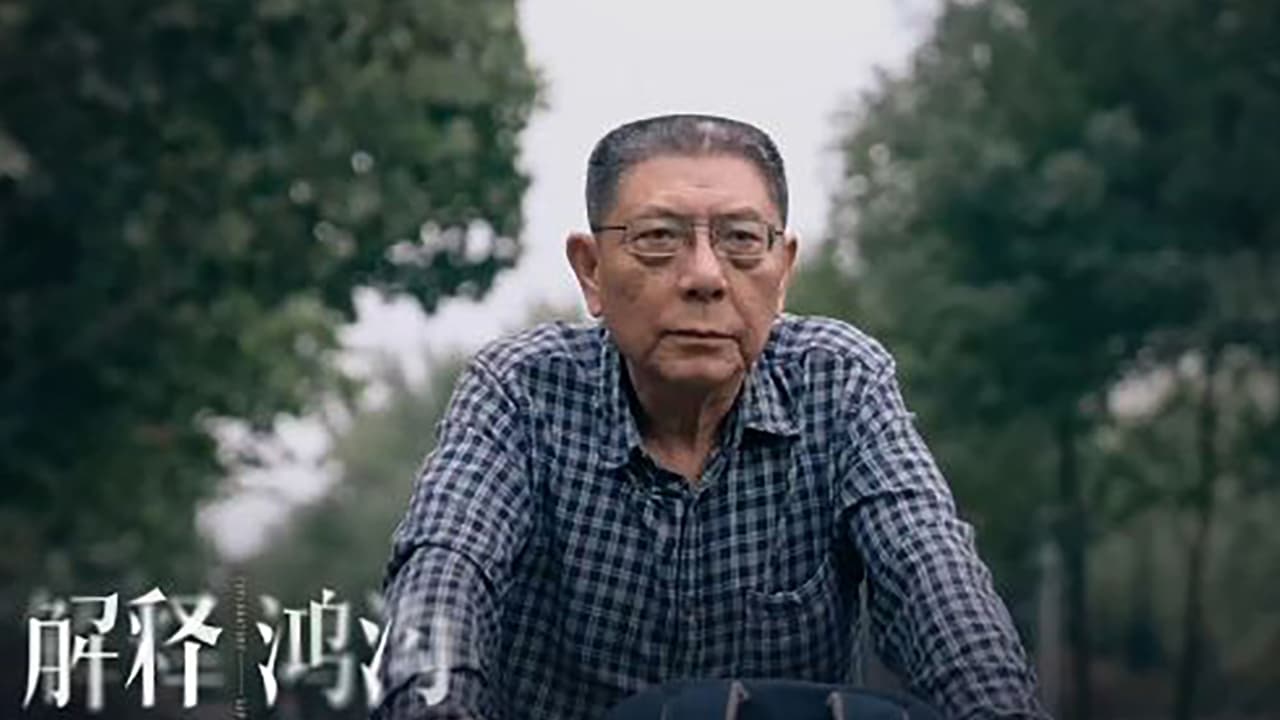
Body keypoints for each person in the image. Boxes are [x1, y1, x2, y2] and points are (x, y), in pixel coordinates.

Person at [373, 114, 1048, 720]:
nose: (704, 276)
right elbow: (445, 568)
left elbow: (930, 572)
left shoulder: (839, 382)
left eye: (741, 240)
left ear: (783, 271)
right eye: (658, 239)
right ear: (592, 270)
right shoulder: (519, 390)